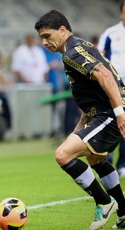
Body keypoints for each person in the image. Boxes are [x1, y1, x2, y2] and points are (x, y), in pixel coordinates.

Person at [35, 9, 125, 229]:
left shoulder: (71, 52)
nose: (44, 42)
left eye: (47, 36)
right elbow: (92, 93)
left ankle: (104, 202)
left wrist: (119, 112)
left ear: (63, 30)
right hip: (104, 113)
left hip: (109, 115)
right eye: (41, 38)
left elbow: (104, 75)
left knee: (63, 154)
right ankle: (123, 210)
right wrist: (79, 127)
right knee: (95, 160)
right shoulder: (80, 47)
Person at [97, 0, 125, 177]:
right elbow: (100, 55)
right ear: (121, 13)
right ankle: (107, 162)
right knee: (111, 121)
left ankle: (123, 164)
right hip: (115, 86)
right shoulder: (111, 33)